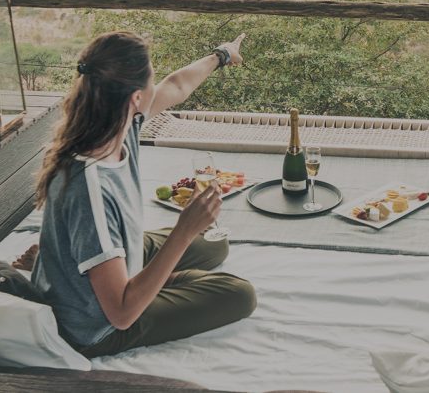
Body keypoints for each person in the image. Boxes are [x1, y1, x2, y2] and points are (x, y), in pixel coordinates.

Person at [25, 31, 256, 357]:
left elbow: (177, 86)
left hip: (105, 267)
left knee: (214, 243)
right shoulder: (90, 190)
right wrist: (183, 230)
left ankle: (80, 266)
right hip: (95, 326)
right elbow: (121, 314)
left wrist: (222, 54)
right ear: (135, 96)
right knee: (238, 293)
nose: (155, 86)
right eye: (150, 79)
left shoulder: (116, 124)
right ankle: (128, 278)